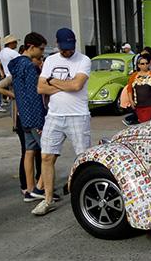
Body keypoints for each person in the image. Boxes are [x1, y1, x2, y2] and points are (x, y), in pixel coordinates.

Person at [34, 28, 91, 216]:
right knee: (46, 157)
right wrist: (64, 85)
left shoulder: (83, 60)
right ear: (57, 44)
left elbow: (77, 85)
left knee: (83, 158)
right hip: (54, 116)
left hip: (78, 115)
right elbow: (41, 88)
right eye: (64, 48)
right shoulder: (50, 60)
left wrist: (53, 80)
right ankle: (47, 199)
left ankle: (84, 194)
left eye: (70, 47)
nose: (68, 51)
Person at [9, 32, 51, 203]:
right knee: (48, 153)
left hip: (23, 116)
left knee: (29, 151)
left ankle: (29, 188)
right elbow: (37, 92)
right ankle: (41, 189)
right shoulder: (30, 67)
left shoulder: (16, 64)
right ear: (31, 47)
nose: (42, 52)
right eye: (41, 49)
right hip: (35, 115)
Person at [126, 56, 151, 123]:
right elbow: (129, 89)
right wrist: (131, 101)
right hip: (138, 105)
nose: (145, 65)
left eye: (146, 63)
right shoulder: (134, 76)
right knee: (142, 123)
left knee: (148, 122)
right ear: (139, 65)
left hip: (150, 105)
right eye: (142, 64)